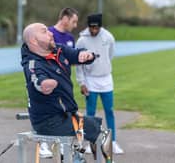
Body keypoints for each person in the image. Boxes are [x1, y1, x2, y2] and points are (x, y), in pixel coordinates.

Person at [21, 23, 112, 160]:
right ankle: (92, 157)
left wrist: (87, 55)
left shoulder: (58, 50)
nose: (51, 33)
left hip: (65, 115)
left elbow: (76, 53)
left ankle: (79, 155)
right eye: (44, 32)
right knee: (100, 133)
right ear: (33, 40)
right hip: (48, 122)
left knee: (97, 127)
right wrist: (43, 85)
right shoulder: (33, 63)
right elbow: (36, 79)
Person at [75, 13, 124, 154]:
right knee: (90, 113)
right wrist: (81, 82)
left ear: (100, 26)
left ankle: (113, 142)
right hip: (90, 80)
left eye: (96, 27)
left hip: (106, 79)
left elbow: (110, 55)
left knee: (109, 111)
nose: (94, 30)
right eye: (91, 27)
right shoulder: (82, 41)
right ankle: (90, 143)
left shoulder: (108, 37)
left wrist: (103, 66)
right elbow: (79, 64)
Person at [39, 7, 78, 158]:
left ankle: (62, 144)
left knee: (65, 111)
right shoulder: (48, 34)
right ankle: (43, 144)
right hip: (50, 80)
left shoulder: (70, 38)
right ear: (65, 18)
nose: (75, 25)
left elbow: (71, 59)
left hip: (65, 82)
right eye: (73, 21)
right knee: (47, 110)